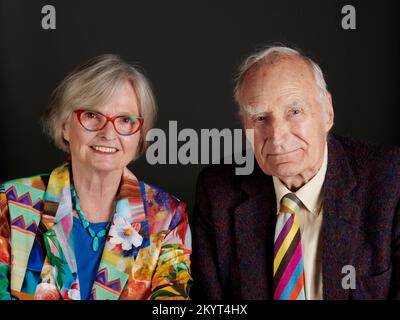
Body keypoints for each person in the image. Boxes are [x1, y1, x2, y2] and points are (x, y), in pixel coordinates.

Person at [192, 45, 400, 300]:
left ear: (328, 113)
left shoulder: (391, 178)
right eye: (260, 118)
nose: (277, 137)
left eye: (295, 111)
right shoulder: (217, 193)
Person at [0, 54, 192, 300]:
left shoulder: (168, 217)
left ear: (140, 135)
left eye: (125, 120)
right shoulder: (11, 203)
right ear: (64, 126)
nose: (108, 133)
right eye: (92, 115)